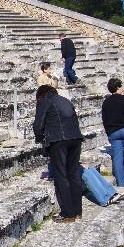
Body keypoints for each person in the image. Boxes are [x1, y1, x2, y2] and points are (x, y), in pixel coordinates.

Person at [33, 85, 83, 223]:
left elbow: (38, 124)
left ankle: (67, 213)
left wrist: (39, 138)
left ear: (41, 95)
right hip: (76, 138)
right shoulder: (65, 100)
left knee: (61, 175)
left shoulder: (44, 101)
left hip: (58, 140)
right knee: (73, 174)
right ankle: (77, 211)